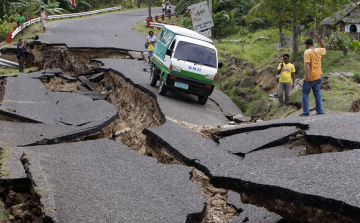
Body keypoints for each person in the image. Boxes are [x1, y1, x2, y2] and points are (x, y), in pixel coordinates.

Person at [300, 33, 326, 116]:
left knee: (305, 93)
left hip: (311, 77)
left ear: (306, 45)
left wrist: (307, 75)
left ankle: (306, 111)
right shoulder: (319, 50)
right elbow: (324, 48)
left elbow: (307, 63)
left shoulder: (307, 52)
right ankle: (320, 111)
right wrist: (320, 40)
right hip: (319, 76)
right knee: (317, 93)